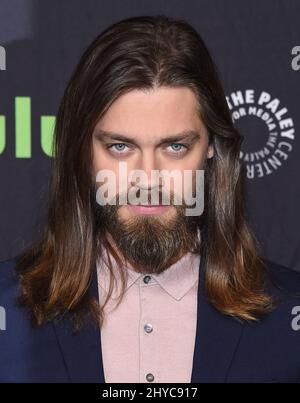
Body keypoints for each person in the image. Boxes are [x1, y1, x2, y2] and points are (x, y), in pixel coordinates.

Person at [1, 15, 300, 383]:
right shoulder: (7, 317)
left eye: (175, 146)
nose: (148, 177)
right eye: (120, 147)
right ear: (81, 151)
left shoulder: (290, 318)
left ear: (211, 148)